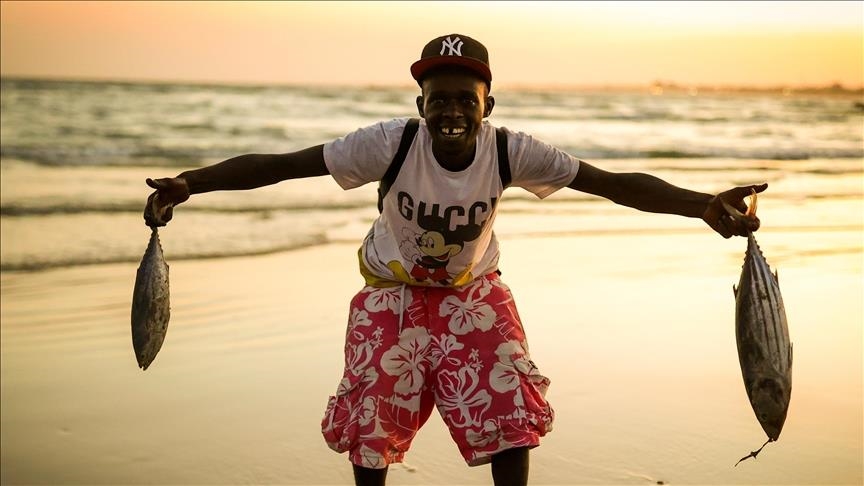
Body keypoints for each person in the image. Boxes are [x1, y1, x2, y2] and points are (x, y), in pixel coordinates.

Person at [144, 33, 765, 486]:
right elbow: (282, 166)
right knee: (371, 416)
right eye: (438, 99)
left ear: (486, 105)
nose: (451, 111)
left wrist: (703, 205)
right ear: (421, 105)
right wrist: (190, 183)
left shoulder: (512, 152)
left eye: (465, 99)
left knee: (510, 408)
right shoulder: (389, 144)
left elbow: (613, 183)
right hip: (392, 290)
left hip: (474, 293)